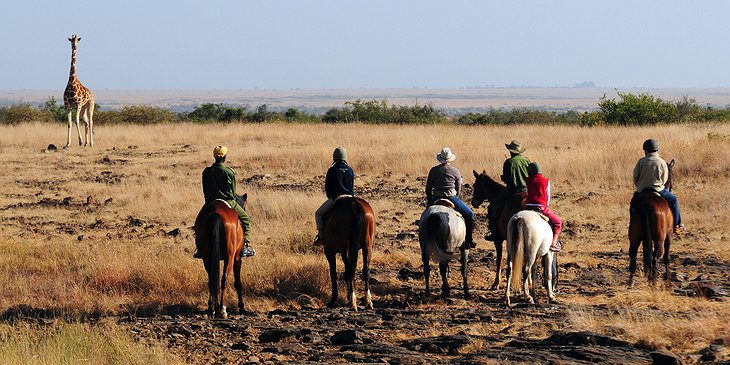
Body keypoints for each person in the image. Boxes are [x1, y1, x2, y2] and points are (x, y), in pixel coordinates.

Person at [193, 146, 255, 258]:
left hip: (210, 202)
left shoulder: (206, 172)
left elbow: (205, 190)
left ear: (214, 156)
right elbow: (232, 192)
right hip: (229, 201)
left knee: (198, 223)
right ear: (225, 157)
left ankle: (199, 249)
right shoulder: (229, 172)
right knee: (246, 220)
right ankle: (245, 246)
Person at [631, 139, 685, 234]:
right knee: (674, 200)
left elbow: (635, 177)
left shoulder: (641, 161)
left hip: (642, 189)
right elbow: (664, 179)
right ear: (656, 150)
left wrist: (639, 187)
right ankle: (677, 226)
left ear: (645, 151)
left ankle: (633, 224)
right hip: (658, 189)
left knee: (633, 204)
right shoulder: (662, 162)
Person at [425, 147, 476, 249]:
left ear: (440, 158)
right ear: (450, 159)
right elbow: (458, 189)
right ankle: (469, 240)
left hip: (436, 198)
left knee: (425, 218)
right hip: (451, 197)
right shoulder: (455, 171)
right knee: (470, 214)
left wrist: (430, 199)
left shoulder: (433, 170)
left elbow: (428, 187)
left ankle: (425, 240)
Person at [484, 140, 531, 241]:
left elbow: (506, 179)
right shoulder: (526, 160)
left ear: (510, 151)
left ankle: (493, 233)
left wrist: (502, 177)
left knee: (491, 207)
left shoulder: (509, 162)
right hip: (527, 190)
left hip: (512, 191)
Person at [314, 147, 355, 245]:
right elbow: (352, 187)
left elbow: (328, 188)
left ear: (334, 157)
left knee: (318, 214)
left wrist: (331, 197)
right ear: (345, 157)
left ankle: (321, 237)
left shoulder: (332, 170)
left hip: (336, 198)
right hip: (350, 198)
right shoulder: (350, 170)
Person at [525, 162, 563, 252]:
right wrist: (546, 206)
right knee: (558, 222)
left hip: (528, 207)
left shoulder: (527, 180)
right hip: (541, 207)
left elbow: (527, 193)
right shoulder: (545, 181)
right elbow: (547, 196)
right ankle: (553, 243)